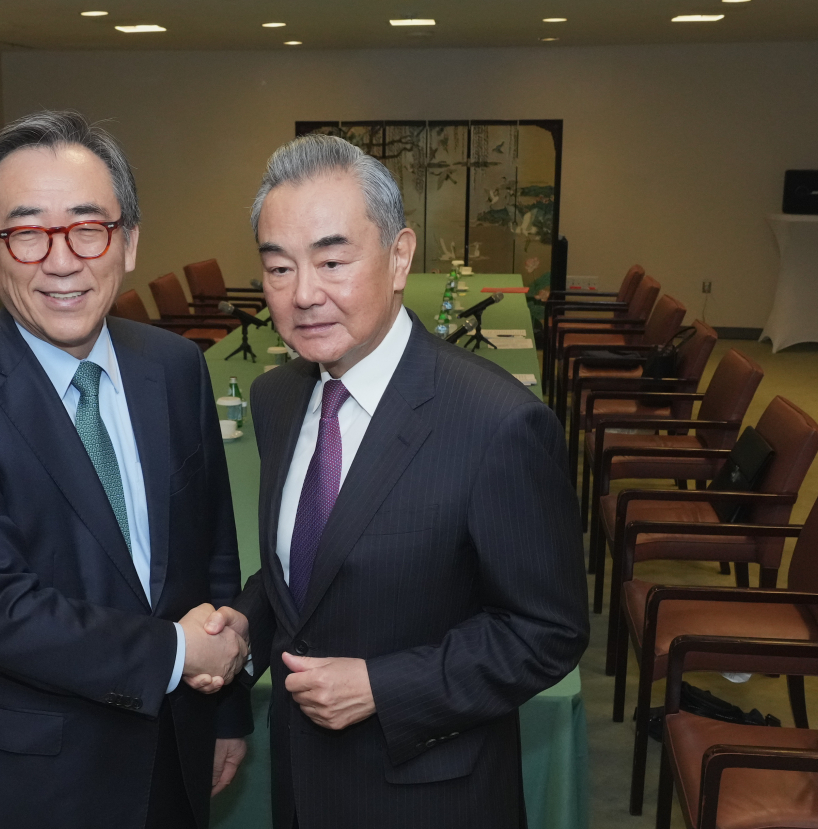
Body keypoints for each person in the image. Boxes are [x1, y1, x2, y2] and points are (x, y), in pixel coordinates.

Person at [201, 134, 589, 828]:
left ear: (400, 255)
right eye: (280, 267)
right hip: (302, 781)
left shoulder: (498, 423)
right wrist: (246, 627)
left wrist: (384, 685)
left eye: (332, 259)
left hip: (431, 793)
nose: (304, 294)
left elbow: (548, 631)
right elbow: (305, 576)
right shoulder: (278, 397)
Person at [0, 110, 251, 829]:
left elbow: (212, 549)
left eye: (89, 227)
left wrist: (226, 707)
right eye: (26, 232)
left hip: (178, 751)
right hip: (38, 784)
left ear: (130, 241)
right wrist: (180, 651)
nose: (61, 261)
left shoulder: (175, 367)